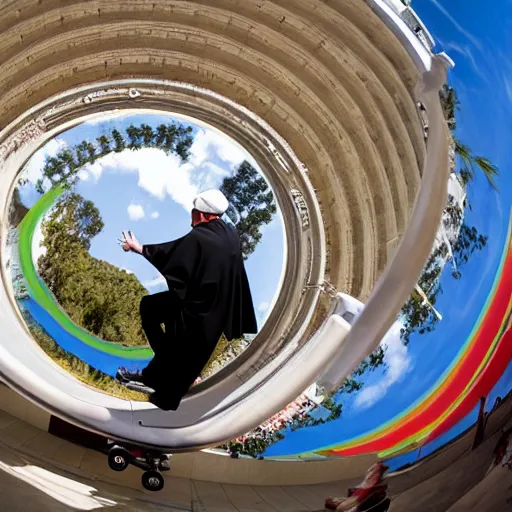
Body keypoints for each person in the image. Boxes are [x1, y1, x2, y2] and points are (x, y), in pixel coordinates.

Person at [117, 189, 258, 411]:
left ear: (201, 214)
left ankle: (158, 383)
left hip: (196, 311)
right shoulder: (229, 235)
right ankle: (153, 375)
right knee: (162, 322)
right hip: (214, 312)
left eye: (193, 213)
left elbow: (174, 255)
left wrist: (140, 249)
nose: (191, 218)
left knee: (150, 311)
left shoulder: (201, 237)